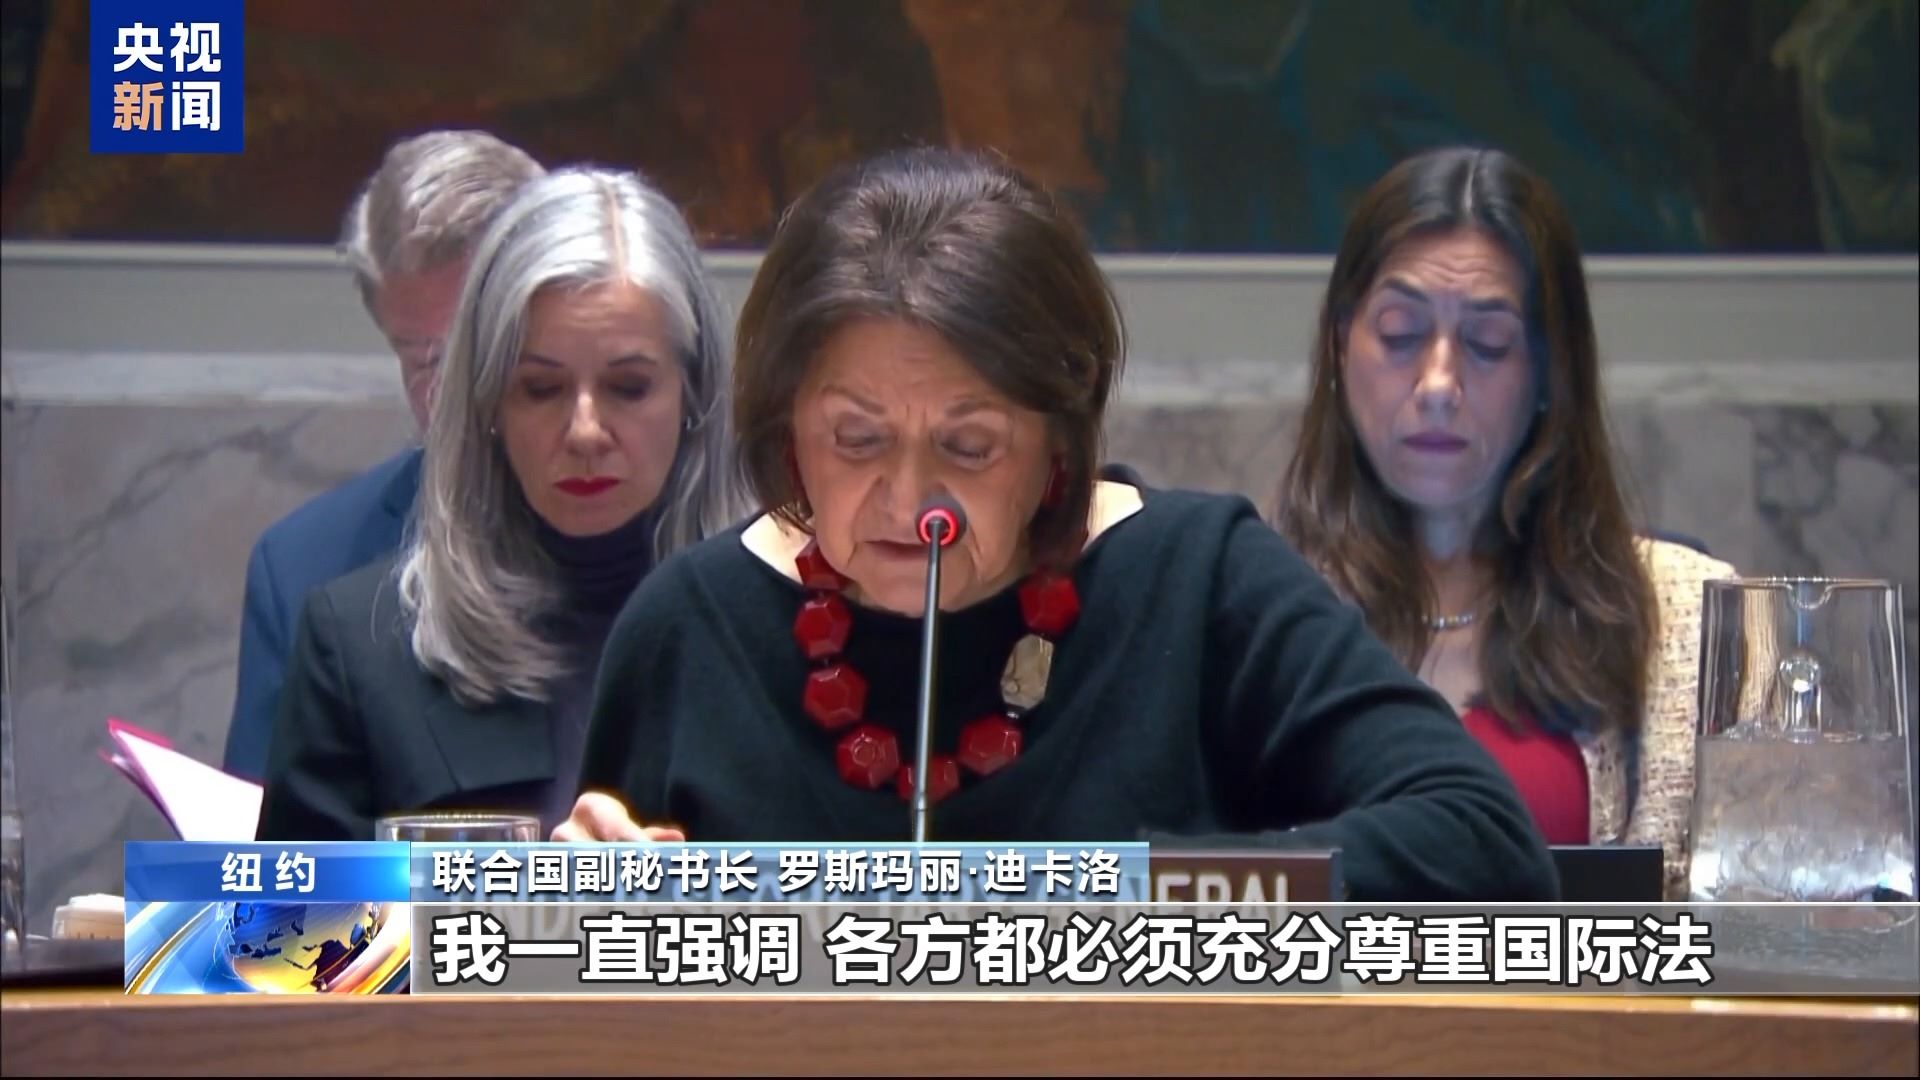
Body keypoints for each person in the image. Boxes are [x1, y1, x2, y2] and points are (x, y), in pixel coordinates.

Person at [556, 147, 1560, 903]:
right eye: (856, 439)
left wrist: (1115, 898)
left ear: (1057, 445)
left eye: (970, 446)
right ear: (788, 430)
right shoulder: (688, 626)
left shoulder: (1197, 578)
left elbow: (1479, 840)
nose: (910, 500)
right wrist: (580, 898)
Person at [1273, 146, 1736, 901]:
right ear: (1339, 344)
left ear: (1550, 371)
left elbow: (1777, 923)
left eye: (1488, 343)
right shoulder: (1253, 608)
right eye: (1399, 333)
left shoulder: (1695, 615)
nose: (1438, 384)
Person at [255, 167, 750, 842]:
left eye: (629, 388)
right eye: (541, 390)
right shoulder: (359, 644)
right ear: (489, 401)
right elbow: (283, 911)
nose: (584, 432)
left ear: (694, 394)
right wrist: (531, 892)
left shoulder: (797, 631)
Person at [223, 130, 546, 782]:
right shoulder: (304, 568)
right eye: (426, 360)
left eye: (483, 345)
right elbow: (255, 830)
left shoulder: (700, 545)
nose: (455, 392)